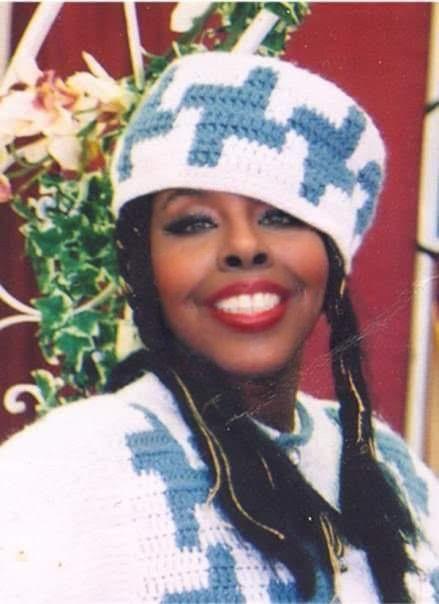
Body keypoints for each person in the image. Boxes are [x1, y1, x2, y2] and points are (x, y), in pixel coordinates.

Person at [0, 51, 438, 604]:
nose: (244, 246)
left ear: (332, 260)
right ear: (144, 265)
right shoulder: (62, 472)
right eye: (194, 223)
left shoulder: (395, 472)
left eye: (280, 215)